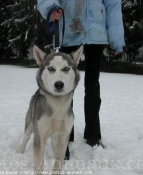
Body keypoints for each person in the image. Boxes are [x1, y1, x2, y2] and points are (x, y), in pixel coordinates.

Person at [37, 0, 125, 157]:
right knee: (63, 90)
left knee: (92, 87)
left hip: (95, 35)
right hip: (68, 32)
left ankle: (93, 134)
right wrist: (51, 9)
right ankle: (63, 136)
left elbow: (112, 5)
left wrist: (116, 41)